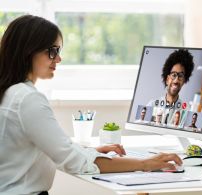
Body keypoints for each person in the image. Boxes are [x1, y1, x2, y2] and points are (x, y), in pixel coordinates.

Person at [0, 15, 182, 194]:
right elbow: (73, 162)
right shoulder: (27, 99)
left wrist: (90, 151)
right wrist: (145, 163)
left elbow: (54, 149)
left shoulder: (10, 92)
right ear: (29, 50)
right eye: (53, 51)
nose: (58, 59)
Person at [147, 49, 194, 124]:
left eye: (180, 76)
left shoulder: (187, 111)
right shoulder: (151, 105)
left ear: (184, 81)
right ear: (167, 79)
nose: (176, 80)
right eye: (173, 75)